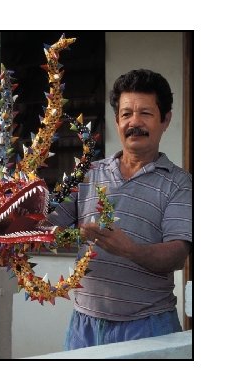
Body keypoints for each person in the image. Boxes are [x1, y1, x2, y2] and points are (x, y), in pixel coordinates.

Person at [46, 69, 192, 350]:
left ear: (166, 120)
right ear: (116, 121)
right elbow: (48, 225)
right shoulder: (87, 173)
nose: (134, 122)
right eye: (126, 114)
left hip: (149, 326)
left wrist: (129, 249)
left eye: (145, 114)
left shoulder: (179, 183)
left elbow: (177, 254)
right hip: (83, 325)